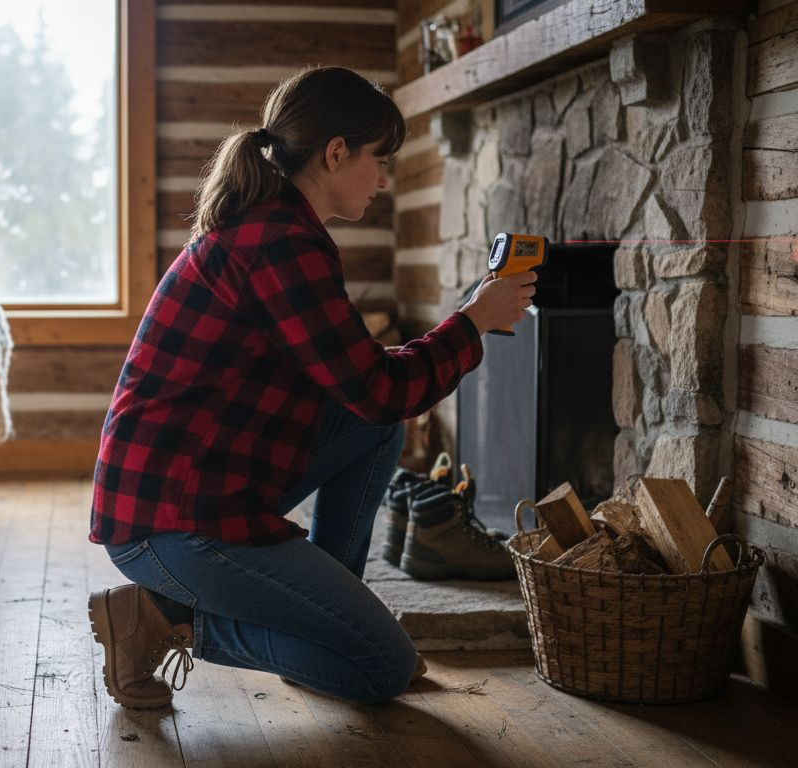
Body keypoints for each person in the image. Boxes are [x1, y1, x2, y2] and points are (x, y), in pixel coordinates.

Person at [86, 66, 536, 709]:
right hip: (168, 522)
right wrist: (471, 323)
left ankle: (328, 622)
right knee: (382, 667)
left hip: (203, 486)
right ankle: (162, 621)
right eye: (380, 160)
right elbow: (381, 389)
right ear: (336, 153)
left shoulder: (279, 228)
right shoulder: (282, 243)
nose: (384, 180)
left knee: (374, 427)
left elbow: (364, 392)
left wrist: (468, 321)